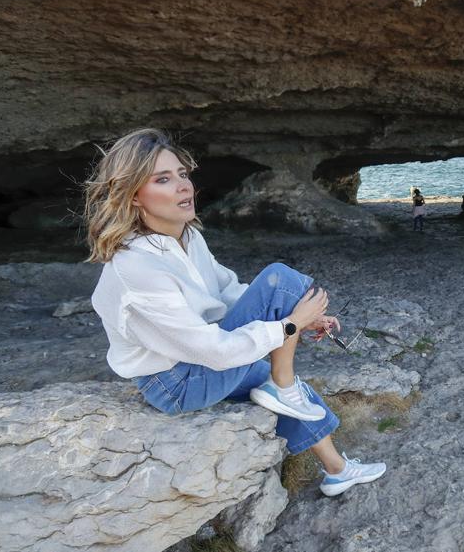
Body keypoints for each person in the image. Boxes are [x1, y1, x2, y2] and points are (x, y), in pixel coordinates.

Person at [86, 128, 385, 497]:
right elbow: (211, 350)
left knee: (285, 372)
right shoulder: (136, 266)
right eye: (163, 179)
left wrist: (296, 319)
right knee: (280, 279)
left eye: (183, 174)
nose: (183, 186)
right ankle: (282, 382)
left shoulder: (187, 237)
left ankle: (337, 470)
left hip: (197, 365)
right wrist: (289, 324)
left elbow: (228, 293)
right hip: (175, 383)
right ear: (133, 196)